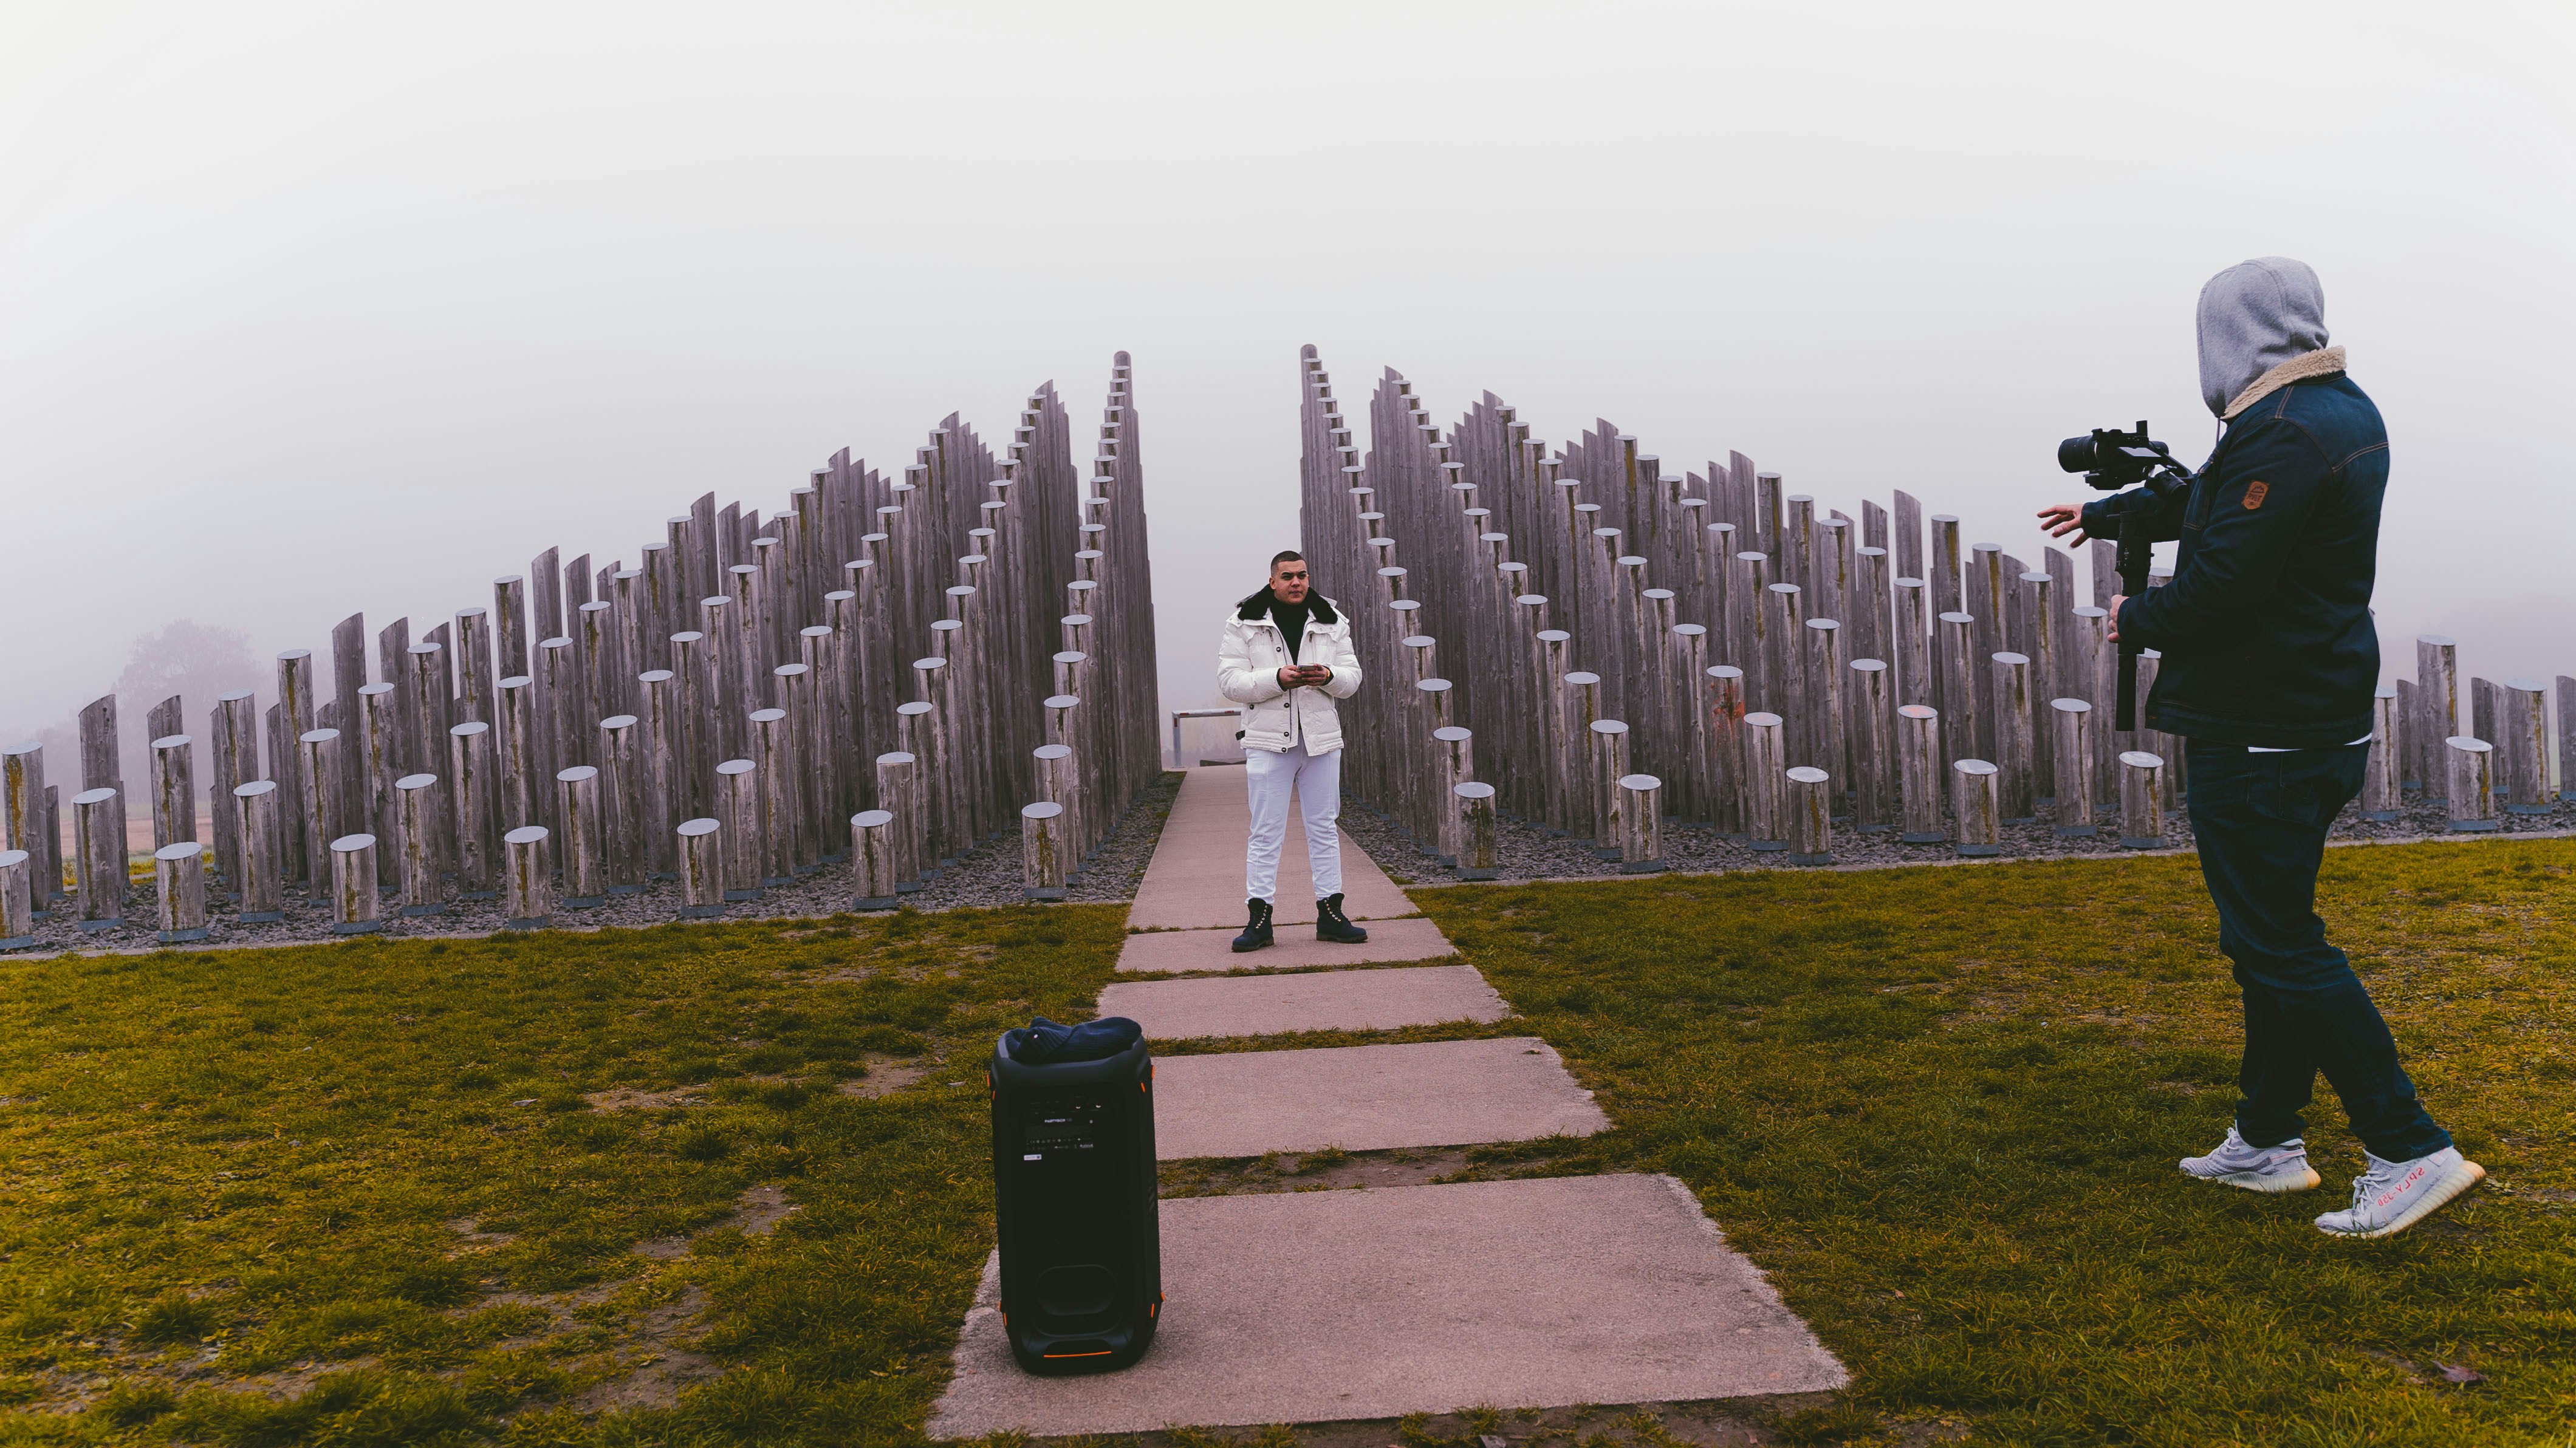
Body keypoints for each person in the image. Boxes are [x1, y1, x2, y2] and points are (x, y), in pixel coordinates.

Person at [2038, 257, 2482, 1239]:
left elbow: (2224, 586)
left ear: (2234, 333)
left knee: (2278, 940)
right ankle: (2269, 1138)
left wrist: (2134, 615)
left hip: (2263, 724)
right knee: (2268, 932)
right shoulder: (2338, 408)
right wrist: (2109, 515)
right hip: (2314, 712)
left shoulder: (2278, 432)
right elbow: (2218, 503)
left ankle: (2410, 1146)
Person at [1214, 550, 1368, 952]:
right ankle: (1259, 920)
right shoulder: (1243, 624)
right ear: (1272, 582)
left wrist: (1329, 676)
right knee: (1265, 833)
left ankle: (1332, 916)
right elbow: (1230, 682)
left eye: (1302, 575)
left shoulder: (1333, 621)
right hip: (1267, 742)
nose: (1297, 583)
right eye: (1288, 577)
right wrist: (1277, 679)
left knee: (1324, 828)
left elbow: (1352, 679)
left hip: (1320, 740)